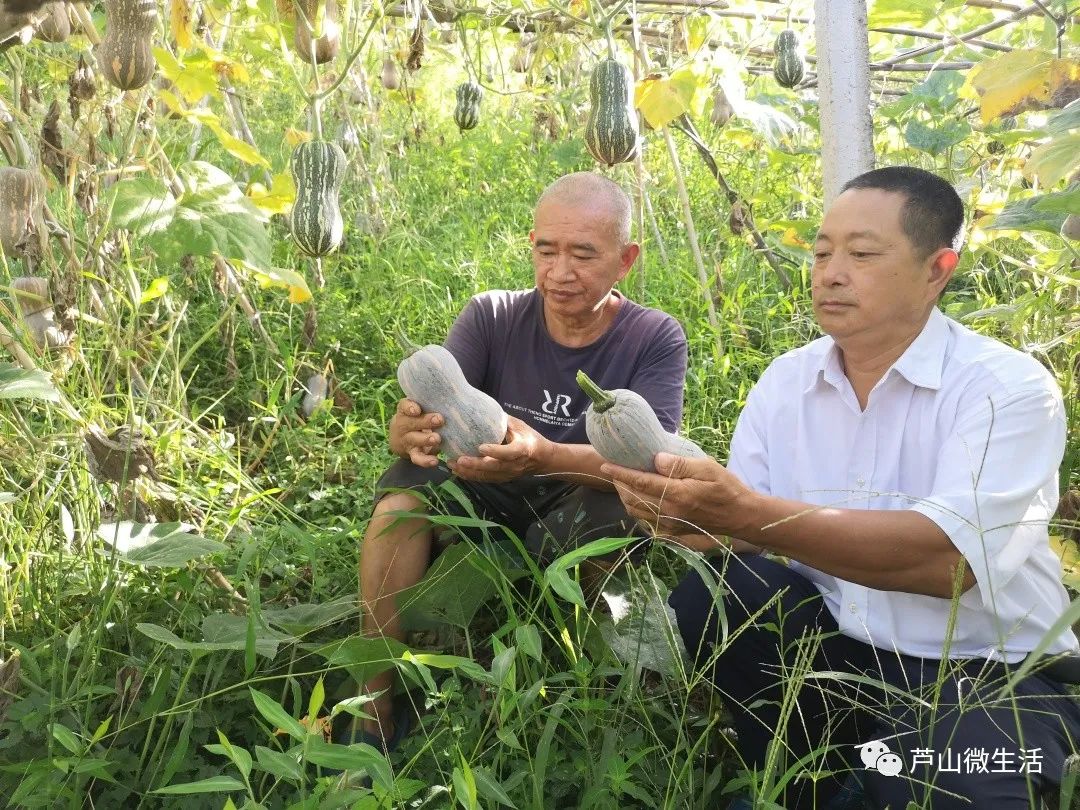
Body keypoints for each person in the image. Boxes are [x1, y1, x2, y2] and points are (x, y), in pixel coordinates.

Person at [603, 166, 1080, 809]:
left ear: (938, 268)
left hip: (995, 673)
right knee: (718, 594)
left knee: (943, 792)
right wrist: (693, 519)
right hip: (839, 650)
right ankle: (805, 779)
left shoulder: (1008, 389)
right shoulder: (786, 381)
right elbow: (742, 532)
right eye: (822, 251)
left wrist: (745, 515)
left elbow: (947, 562)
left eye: (861, 254)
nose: (829, 272)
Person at [351, 171, 690, 752]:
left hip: (578, 491)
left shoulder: (654, 337)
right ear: (531, 244)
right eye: (546, 250)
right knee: (401, 499)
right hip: (483, 484)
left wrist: (545, 456)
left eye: (583, 254)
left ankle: (614, 700)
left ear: (625, 259)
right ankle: (374, 700)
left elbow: (652, 466)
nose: (560, 272)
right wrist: (408, 432)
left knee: (615, 515)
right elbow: (426, 410)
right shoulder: (491, 316)